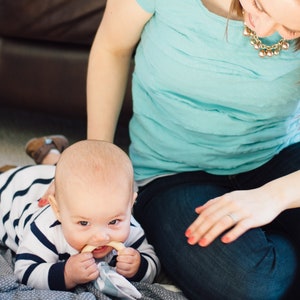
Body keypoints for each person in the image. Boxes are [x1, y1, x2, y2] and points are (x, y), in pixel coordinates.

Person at [85, 0, 300, 299]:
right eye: (259, 6)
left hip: (277, 158)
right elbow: (112, 48)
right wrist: (97, 160)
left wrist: (275, 196)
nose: (263, 29)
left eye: (290, 29)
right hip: (174, 173)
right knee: (253, 286)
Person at [0, 140, 160, 291]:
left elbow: (152, 259)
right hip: (12, 196)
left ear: (130, 205)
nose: (101, 237)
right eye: (84, 223)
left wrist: (139, 267)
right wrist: (66, 274)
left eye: (113, 221)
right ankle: (11, 171)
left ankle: (47, 152)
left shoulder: (126, 221)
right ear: (58, 211)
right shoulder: (46, 230)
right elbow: (25, 271)